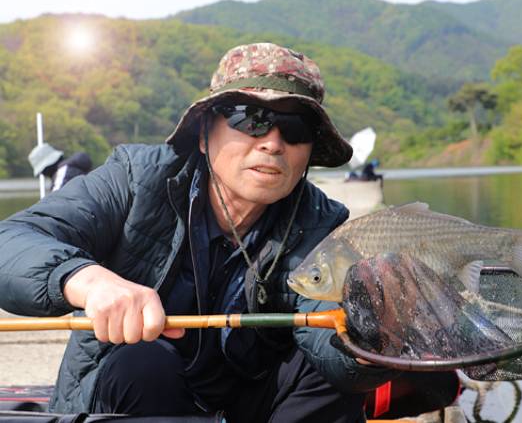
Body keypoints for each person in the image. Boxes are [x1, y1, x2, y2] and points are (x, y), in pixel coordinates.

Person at [0, 43, 396, 422]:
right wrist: (88, 281)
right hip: (130, 393)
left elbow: (329, 344)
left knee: (333, 361)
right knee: (142, 361)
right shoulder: (134, 179)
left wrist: (370, 334)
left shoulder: (321, 222)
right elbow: (12, 240)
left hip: (245, 400)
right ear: (205, 133)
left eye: (296, 127)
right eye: (251, 118)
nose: (273, 143)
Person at [28, 143, 92, 191]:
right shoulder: (71, 169)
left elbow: (56, 201)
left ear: (46, 167)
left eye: (42, 171)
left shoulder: (62, 175)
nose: (43, 174)